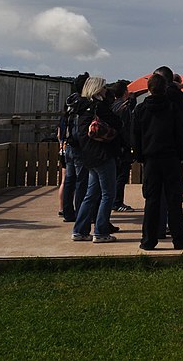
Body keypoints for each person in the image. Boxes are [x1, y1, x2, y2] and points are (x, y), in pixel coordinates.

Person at [132, 71, 183, 251]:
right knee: (174, 199)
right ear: (165, 88)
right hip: (171, 158)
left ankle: (148, 240)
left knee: (151, 200)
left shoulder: (141, 109)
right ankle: (179, 238)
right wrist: (181, 156)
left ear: (149, 89)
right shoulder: (172, 107)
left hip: (150, 159)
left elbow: (135, 135)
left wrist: (139, 156)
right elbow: (180, 133)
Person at [71, 76, 123, 243]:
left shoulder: (80, 108)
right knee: (108, 194)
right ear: (97, 89)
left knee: (91, 194)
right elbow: (117, 123)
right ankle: (100, 231)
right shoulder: (98, 107)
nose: (106, 89)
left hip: (89, 155)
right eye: (103, 87)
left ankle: (80, 230)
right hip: (103, 154)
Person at [58, 73, 90, 221]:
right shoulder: (84, 104)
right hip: (80, 147)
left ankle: (67, 212)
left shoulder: (69, 102)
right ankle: (80, 214)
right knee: (81, 182)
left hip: (68, 146)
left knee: (69, 181)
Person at [107, 80, 136, 212]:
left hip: (112, 144)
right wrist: (130, 145)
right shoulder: (124, 108)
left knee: (114, 175)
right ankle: (117, 202)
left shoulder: (112, 105)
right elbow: (126, 129)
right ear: (125, 92)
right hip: (122, 146)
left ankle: (113, 201)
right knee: (121, 176)